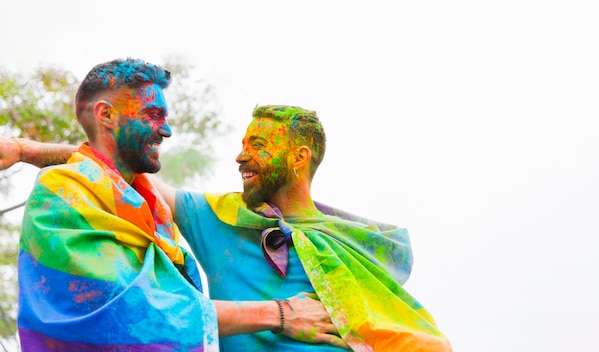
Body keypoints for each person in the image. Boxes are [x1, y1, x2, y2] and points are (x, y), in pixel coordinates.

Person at [2, 103, 453, 349]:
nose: (239, 156)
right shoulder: (218, 217)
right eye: (241, 144)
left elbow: (403, 334)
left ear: (299, 158)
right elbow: (117, 172)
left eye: (256, 144)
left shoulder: (353, 246)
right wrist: (24, 150)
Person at [1, 59, 346, 351]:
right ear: (106, 115)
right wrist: (279, 314)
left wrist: (27, 149)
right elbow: (128, 312)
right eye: (152, 114)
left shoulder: (152, 206)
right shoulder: (62, 194)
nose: (165, 130)